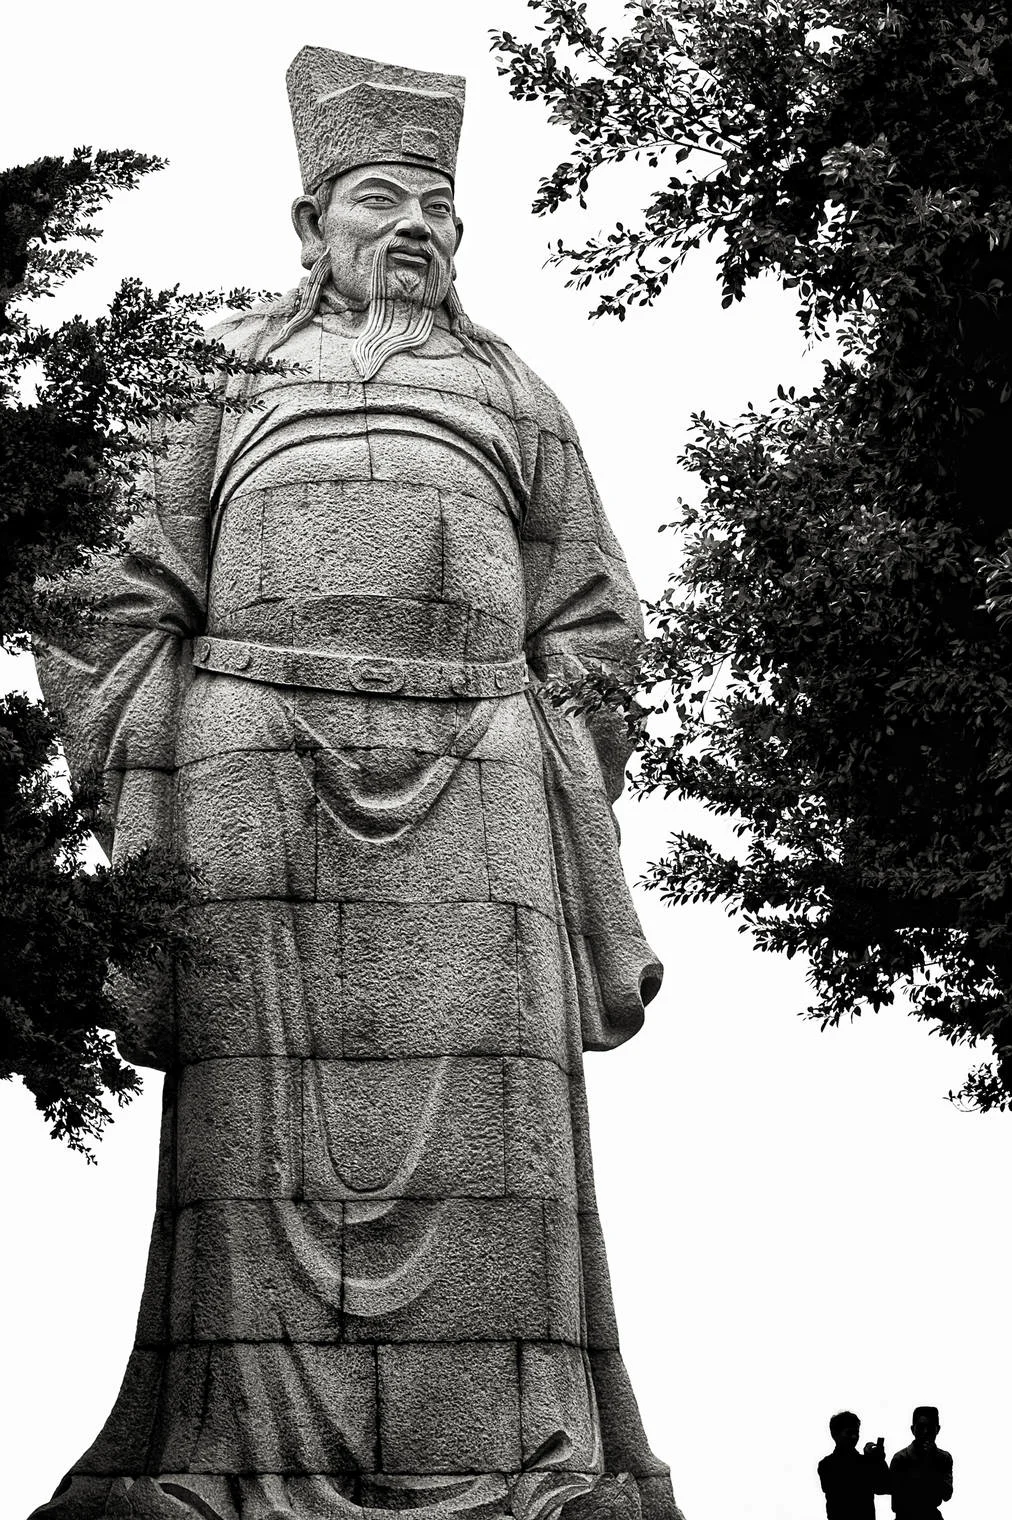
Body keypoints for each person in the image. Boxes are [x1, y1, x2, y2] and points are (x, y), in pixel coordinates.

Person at [30, 43, 681, 1520]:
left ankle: (529, 1460)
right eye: (378, 198)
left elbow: (594, 616)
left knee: (497, 1123)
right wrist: (178, 743)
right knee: (253, 1136)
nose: (414, 229)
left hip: (488, 789)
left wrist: (552, 730)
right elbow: (110, 589)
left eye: (438, 208)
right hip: (255, 777)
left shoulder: (518, 396)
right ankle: (223, 1460)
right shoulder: (222, 378)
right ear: (309, 221)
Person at [817, 1410, 891, 1520]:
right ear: (835, 1435)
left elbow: (885, 1488)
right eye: (849, 1433)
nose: (854, 1437)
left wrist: (878, 1461)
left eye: (856, 1433)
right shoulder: (826, 1465)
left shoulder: (826, 1464)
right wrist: (873, 1461)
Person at [888, 1407, 953, 1519]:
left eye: (930, 1427)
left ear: (937, 1429)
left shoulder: (944, 1458)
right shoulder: (900, 1459)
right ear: (913, 1429)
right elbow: (896, 1503)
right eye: (921, 1427)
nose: (926, 1432)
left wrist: (931, 1462)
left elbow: (947, 1495)